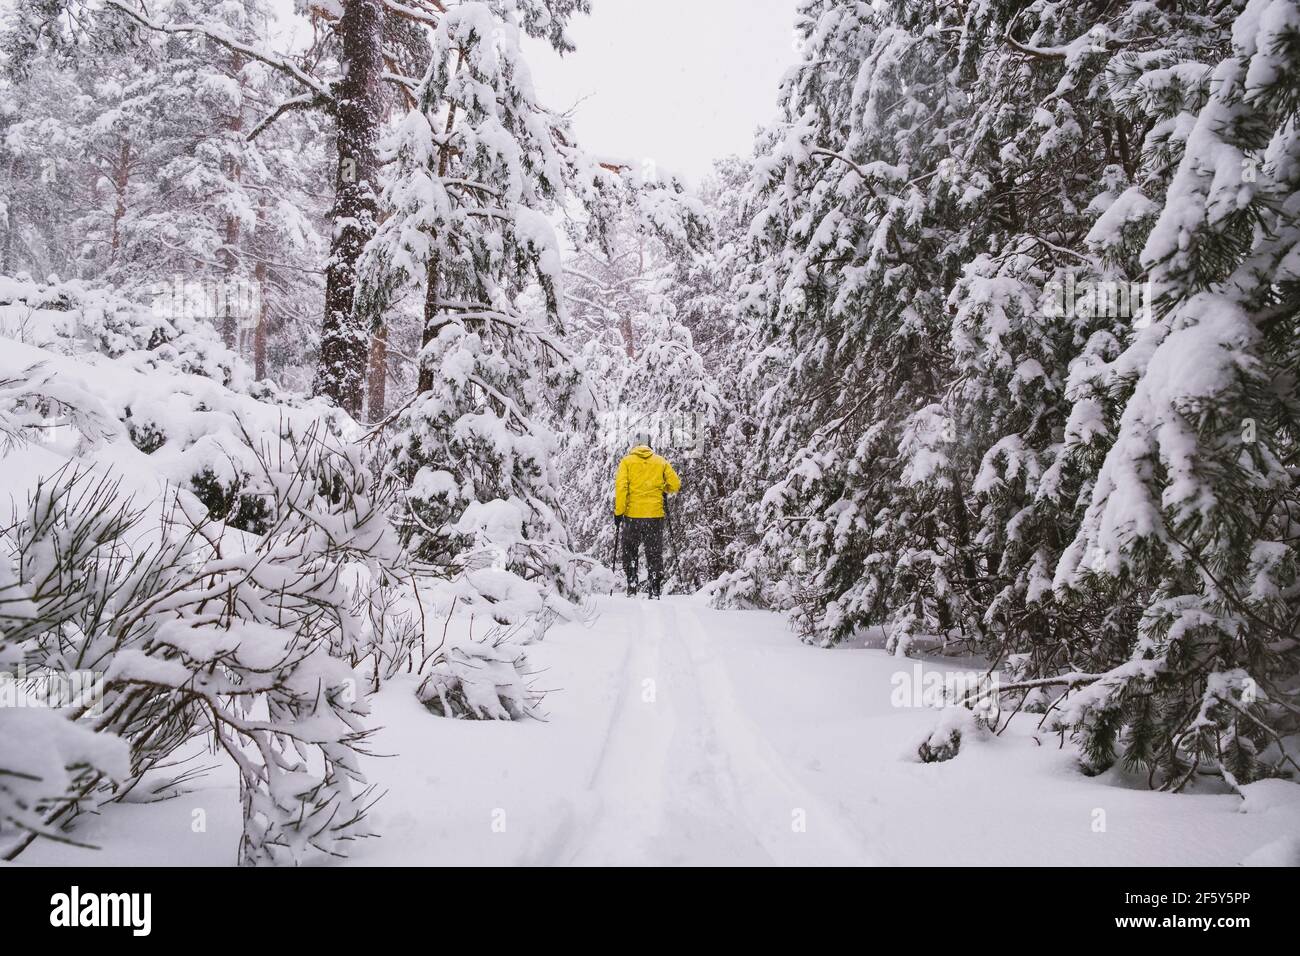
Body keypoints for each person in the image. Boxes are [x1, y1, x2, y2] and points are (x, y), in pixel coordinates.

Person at [613, 431, 681, 598]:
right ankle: (655, 587)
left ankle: (632, 585)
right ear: (650, 444)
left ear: (634, 444)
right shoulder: (660, 462)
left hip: (632, 517)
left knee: (630, 551)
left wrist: (618, 512)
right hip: (654, 516)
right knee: (654, 552)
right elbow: (675, 484)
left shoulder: (627, 462)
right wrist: (662, 489)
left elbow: (621, 488)